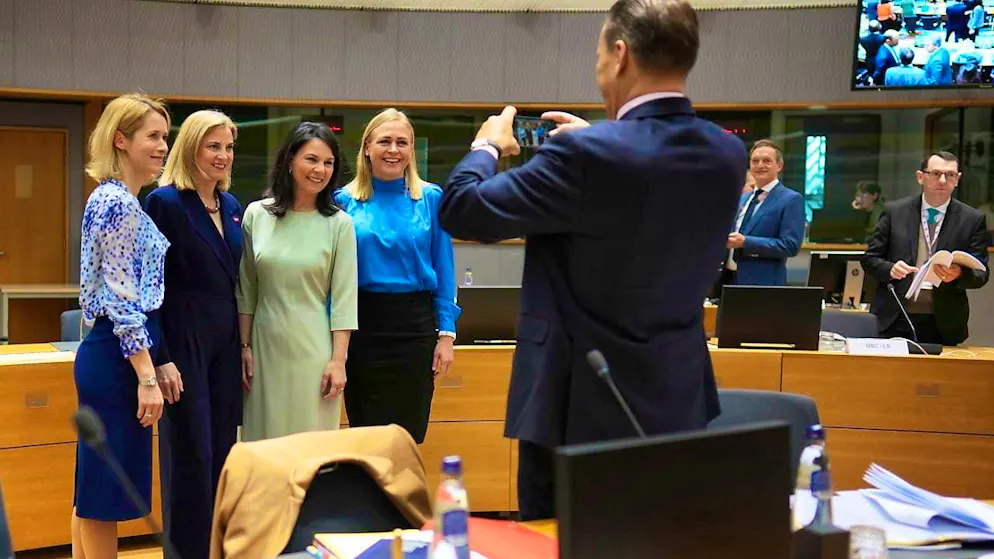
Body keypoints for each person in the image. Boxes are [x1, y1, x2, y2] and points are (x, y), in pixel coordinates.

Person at [438, 0, 746, 520]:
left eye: (599, 53)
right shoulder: (726, 153)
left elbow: (463, 209)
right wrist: (599, 140)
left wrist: (485, 147)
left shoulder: (585, 157)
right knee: (664, 538)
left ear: (620, 54)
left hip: (578, 409)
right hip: (678, 398)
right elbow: (643, 192)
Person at [72, 93, 170, 559]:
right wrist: (147, 376)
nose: (162, 146)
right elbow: (122, 302)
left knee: (92, 491)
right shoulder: (117, 204)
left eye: (165, 137)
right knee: (104, 497)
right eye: (152, 136)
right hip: (118, 357)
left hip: (111, 354)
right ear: (120, 139)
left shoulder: (120, 199)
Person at [144, 110, 242, 559]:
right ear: (191, 149)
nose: (223, 156)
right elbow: (151, 287)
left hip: (225, 343)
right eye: (213, 146)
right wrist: (160, 355)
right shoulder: (164, 202)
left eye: (229, 147)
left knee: (222, 454)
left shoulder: (232, 206)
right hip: (183, 340)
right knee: (190, 456)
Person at [334, 109, 459, 445]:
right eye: (384, 141)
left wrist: (446, 335)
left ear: (411, 150)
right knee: (366, 436)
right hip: (362, 326)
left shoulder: (430, 198)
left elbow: (444, 268)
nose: (393, 150)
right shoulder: (343, 201)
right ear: (367, 148)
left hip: (414, 328)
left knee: (407, 436)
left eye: (402, 142)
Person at [237, 121, 358, 441]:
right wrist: (244, 346)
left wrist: (339, 361)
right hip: (264, 348)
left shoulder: (340, 224)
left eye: (328, 163)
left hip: (315, 351)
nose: (320, 170)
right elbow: (246, 289)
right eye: (311, 159)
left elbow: (345, 299)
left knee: (312, 445)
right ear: (289, 161)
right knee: (263, 441)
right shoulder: (256, 215)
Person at [861, 151, 989, 346]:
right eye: (936, 174)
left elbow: (981, 274)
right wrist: (890, 269)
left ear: (957, 179)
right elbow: (870, 259)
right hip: (895, 316)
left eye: (950, 175)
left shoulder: (972, 219)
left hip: (943, 320)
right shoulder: (894, 212)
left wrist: (959, 274)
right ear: (920, 177)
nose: (943, 181)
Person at [724, 139, 805, 286]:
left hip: (763, 283)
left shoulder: (791, 199)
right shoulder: (744, 198)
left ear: (779, 166)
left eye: (767, 161)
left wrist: (746, 242)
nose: (760, 165)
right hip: (728, 279)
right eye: (755, 161)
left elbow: (790, 245)